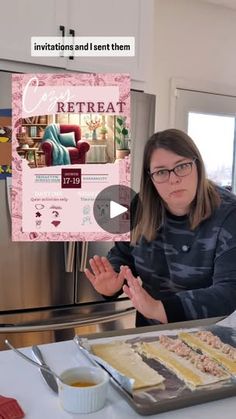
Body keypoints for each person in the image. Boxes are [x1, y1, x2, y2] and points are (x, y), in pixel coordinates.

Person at [85, 129, 236, 327]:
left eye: (182, 166)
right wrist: (113, 280)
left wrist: (159, 309)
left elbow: (229, 291)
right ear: (151, 178)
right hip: (150, 334)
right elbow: (123, 253)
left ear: (197, 165)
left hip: (209, 337)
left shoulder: (229, 213)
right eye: (161, 172)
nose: (173, 179)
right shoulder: (140, 206)